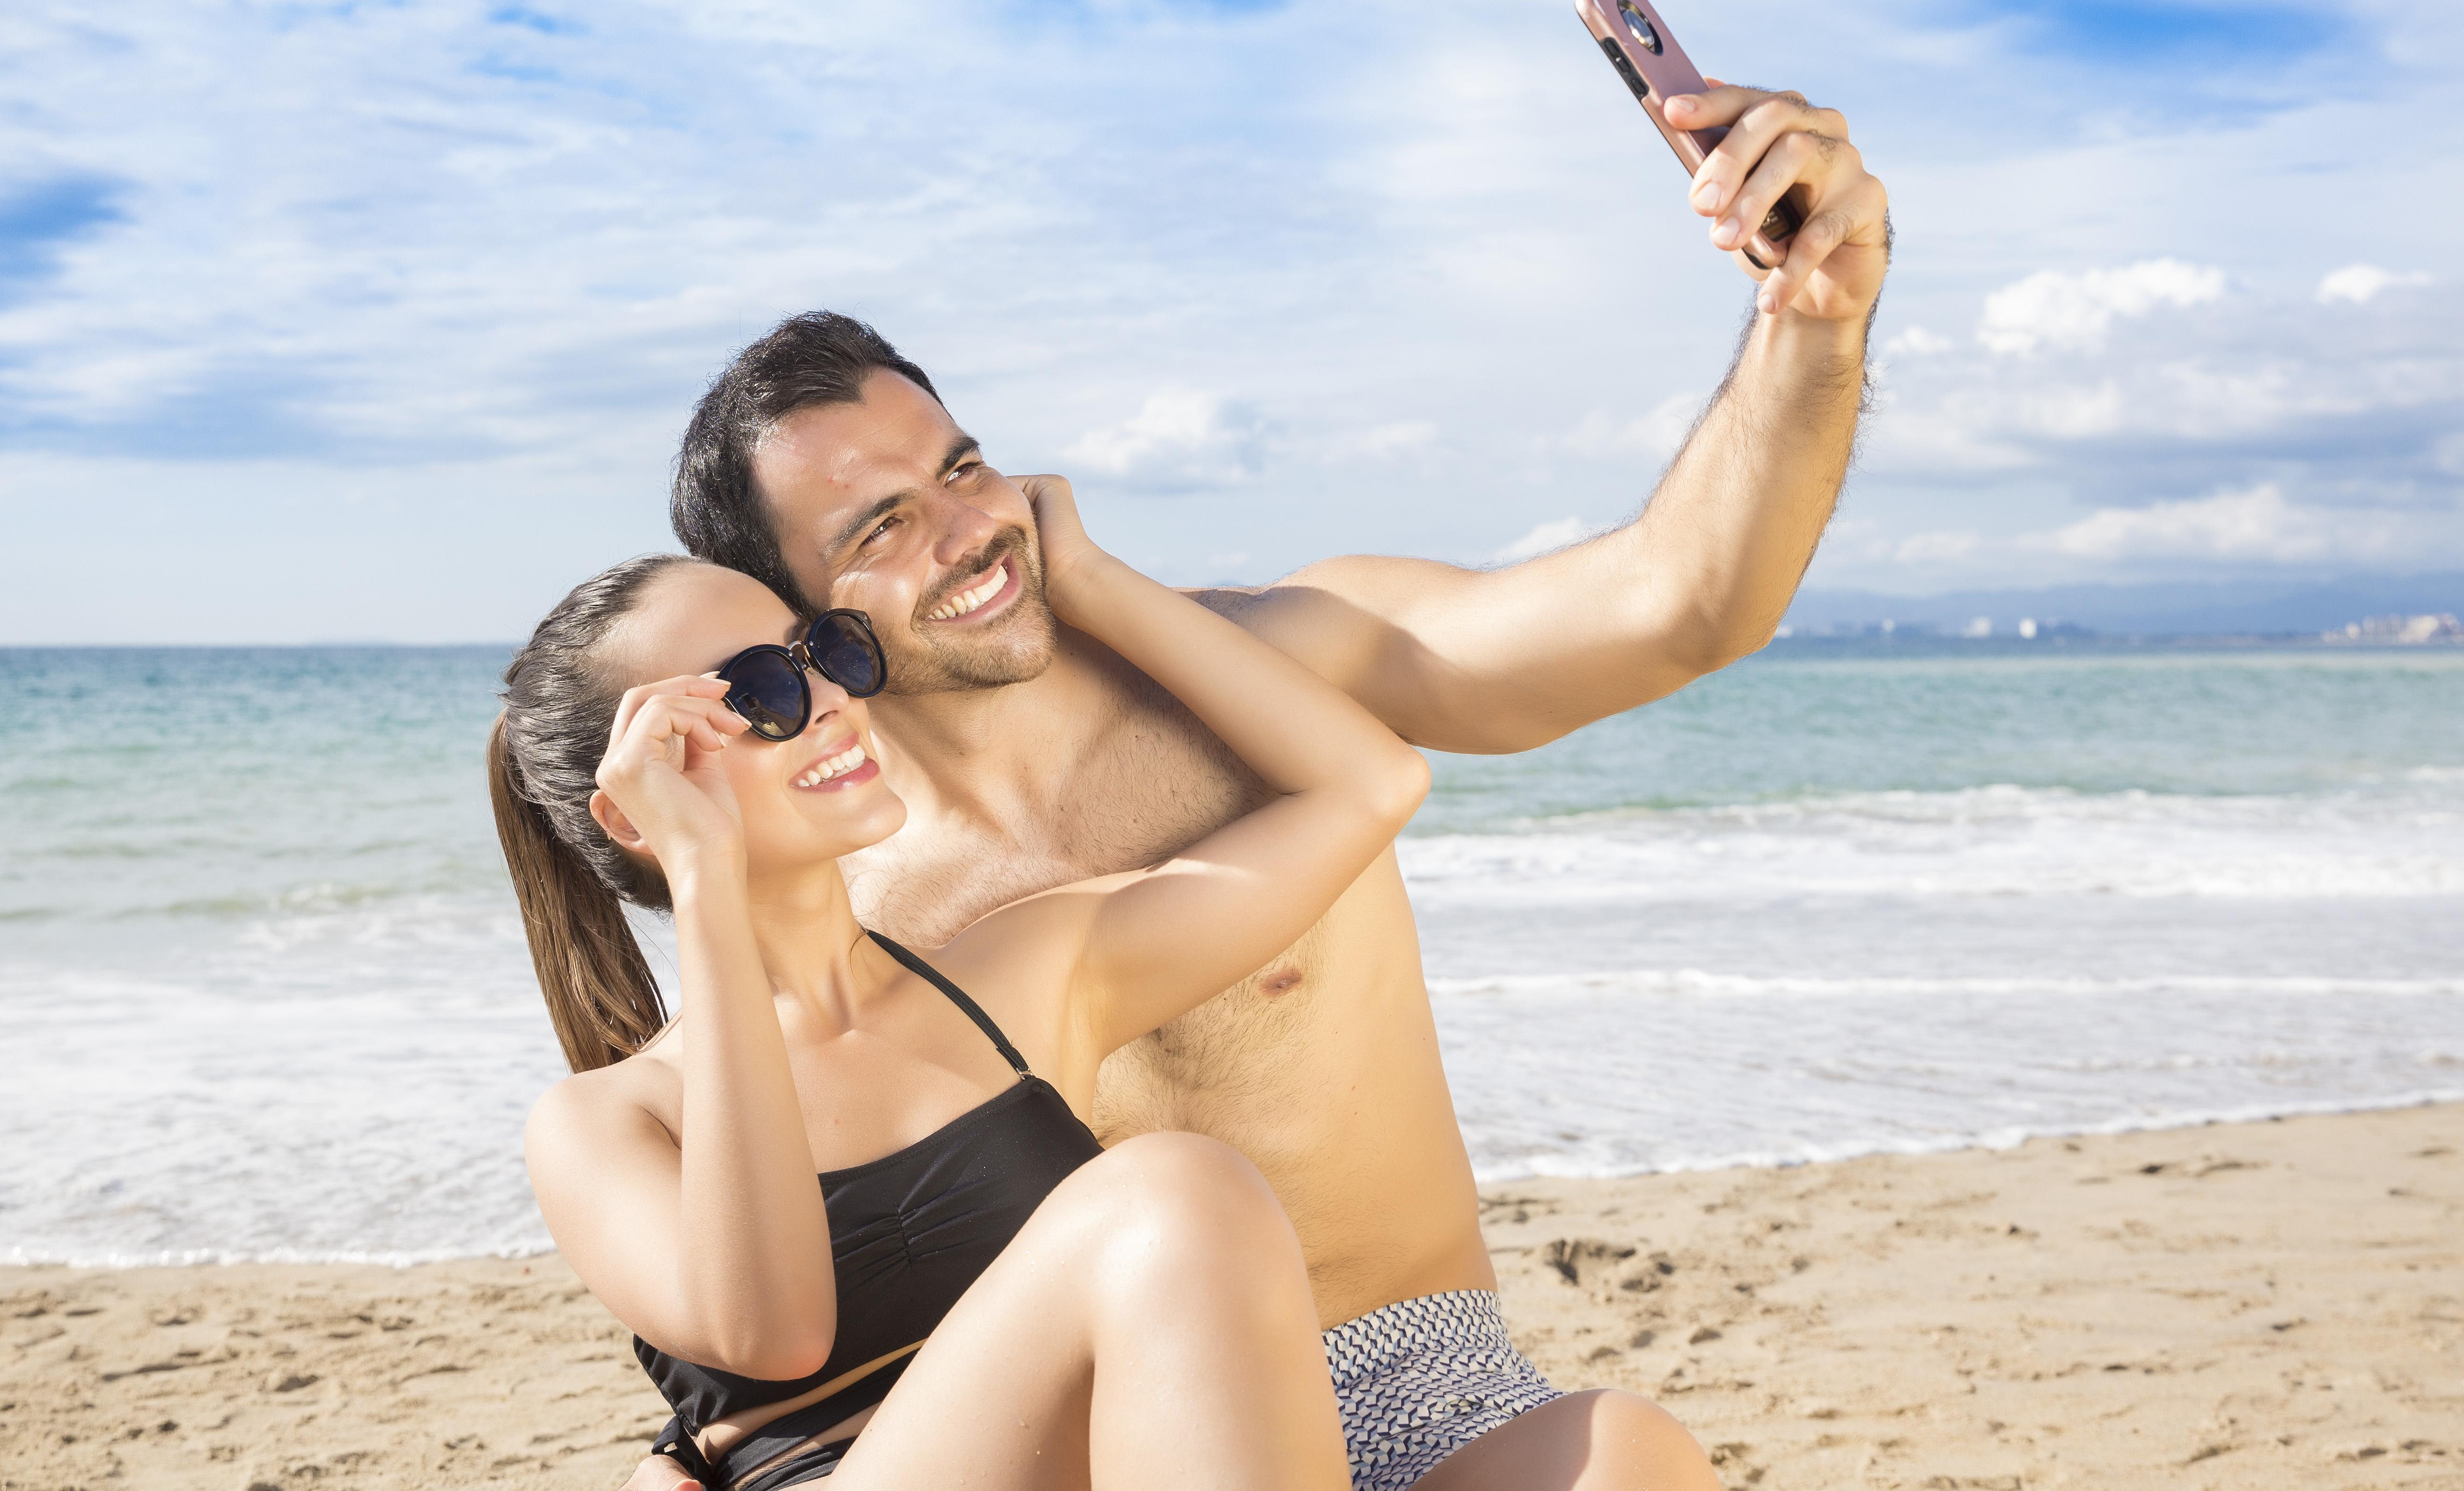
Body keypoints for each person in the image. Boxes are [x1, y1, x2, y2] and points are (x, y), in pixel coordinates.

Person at [638, 82, 1885, 1490]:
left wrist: (1814, 322)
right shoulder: (834, 907)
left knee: (1631, 1461)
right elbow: (776, 1292)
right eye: (885, 526)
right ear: (798, 626)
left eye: (962, 467)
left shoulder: (1275, 664)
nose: (969, 529)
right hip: (1103, 1449)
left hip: (1419, 1381)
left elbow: (1682, 601)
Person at [489, 476, 1440, 1487]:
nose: (830, 700)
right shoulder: (604, 1121)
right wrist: (704, 881)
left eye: (828, 652)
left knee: (1618, 1441)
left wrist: (1089, 581)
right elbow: (775, 1330)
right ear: (639, 807)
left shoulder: (1020, 973)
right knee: (1171, 1186)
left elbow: (1369, 785)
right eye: (758, 691)